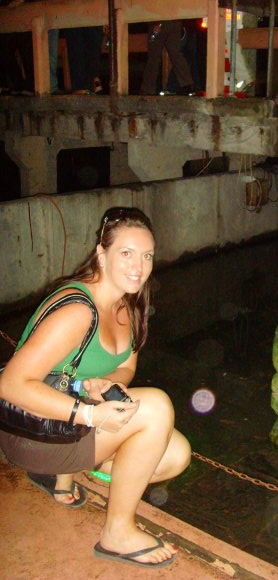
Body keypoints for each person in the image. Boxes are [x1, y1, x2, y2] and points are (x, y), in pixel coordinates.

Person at [0, 207, 190, 568]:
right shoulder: (78, 311)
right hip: (33, 433)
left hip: (73, 425)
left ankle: (68, 471)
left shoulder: (128, 303)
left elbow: (126, 366)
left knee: (175, 454)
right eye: (126, 253)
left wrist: (107, 385)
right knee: (156, 408)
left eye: (147, 255)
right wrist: (89, 411)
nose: (139, 266)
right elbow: (10, 384)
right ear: (102, 255)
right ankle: (117, 533)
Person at [139, 0, 194, 96]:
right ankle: (186, 84)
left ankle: (148, 88)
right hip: (175, 19)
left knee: (154, 55)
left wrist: (156, 21)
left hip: (161, 19)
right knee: (176, 53)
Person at [65, 0, 106, 94]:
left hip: (92, 11)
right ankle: (79, 86)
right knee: (76, 49)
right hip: (73, 11)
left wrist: (103, 15)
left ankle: (93, 81)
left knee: (93, 48)